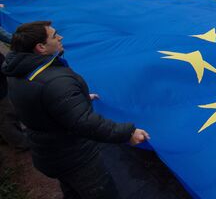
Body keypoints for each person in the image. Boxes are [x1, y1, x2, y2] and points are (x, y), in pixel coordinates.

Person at [2, 21, 150, 198]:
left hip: (47, 153)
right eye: (55, 35)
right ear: (41, 47)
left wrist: (73, 100)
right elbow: (84, 122)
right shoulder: (54, 81)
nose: (60, 37)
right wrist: (127, 133)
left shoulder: (18, 72)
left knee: (72, 191)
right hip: (75, 158)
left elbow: (42, 99)